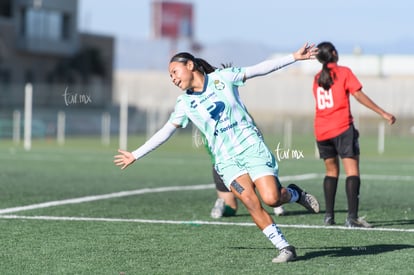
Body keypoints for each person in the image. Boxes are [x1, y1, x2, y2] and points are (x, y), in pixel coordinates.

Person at [114, 43, 320, 263]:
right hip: (227, 162)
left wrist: (294, 57)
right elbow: (166, 132)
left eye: (174, 72)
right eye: (170, 76)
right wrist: (136, 154)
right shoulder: (185, 103)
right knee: (250, 201)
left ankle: (294, 194)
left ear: (190, 65)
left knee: (272, 198)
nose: (172, 78)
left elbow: (260, 69)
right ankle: (285, 248)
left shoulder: (224, 78)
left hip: (252, 148)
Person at [312, 41, 396, 228]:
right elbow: (358, 95)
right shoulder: (343, 72)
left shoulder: (318, 77)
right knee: (352, 172)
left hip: (322, 131)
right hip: (342, 128)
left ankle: (328, 216)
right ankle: (352, 218)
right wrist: (383, 113)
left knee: (331, 172)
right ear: (333, 53)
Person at [210, 166, 286, 218]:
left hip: (249, 157)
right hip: (224, 164)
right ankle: (221, 207)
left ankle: (279, 197)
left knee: (269, 196)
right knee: (232, 207)